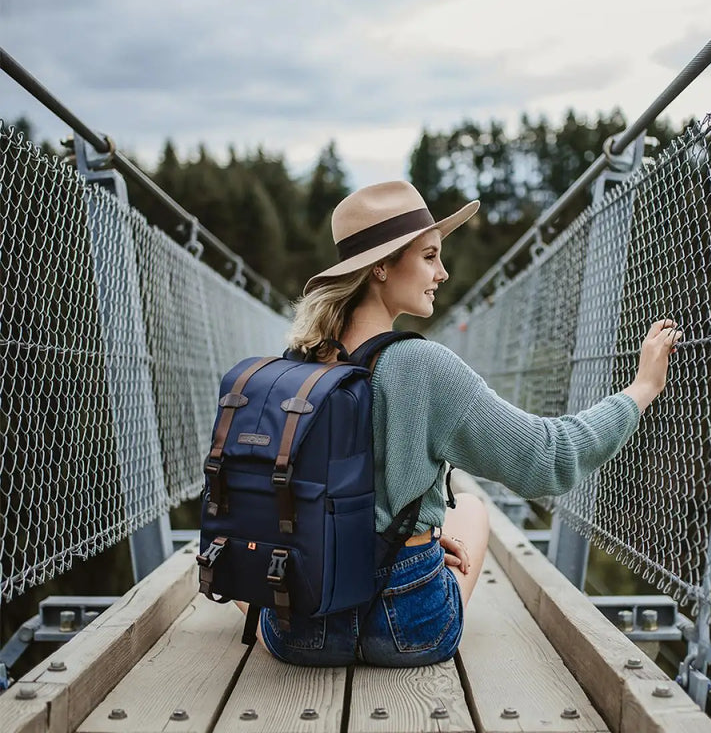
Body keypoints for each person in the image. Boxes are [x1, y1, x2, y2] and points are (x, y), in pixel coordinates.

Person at [240, 179, 681, 667]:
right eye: (430, 256)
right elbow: (548, 460)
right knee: (469, 507)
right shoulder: (425, 366)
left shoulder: (293, 367)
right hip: (406, 621)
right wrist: (642, 389)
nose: (443, 273)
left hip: (301, 622)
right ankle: (413, 550)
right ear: (381, 267)